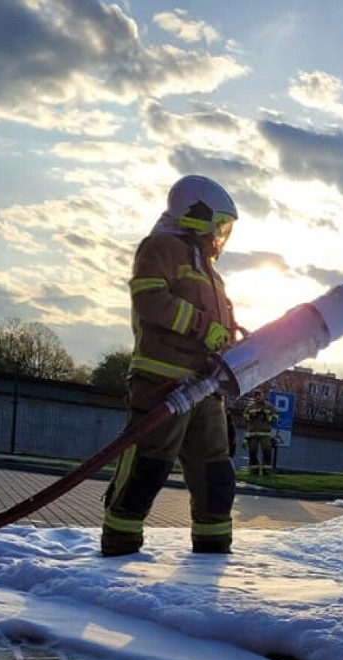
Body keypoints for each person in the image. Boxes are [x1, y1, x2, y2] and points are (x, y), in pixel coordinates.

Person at [101, 175, 240, 556]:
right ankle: (119, 545)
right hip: (163, 381)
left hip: (205, 389)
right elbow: (149, 299)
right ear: (196, 215)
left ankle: (213, 553)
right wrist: (202, 326)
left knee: (216, 474)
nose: (221, 235)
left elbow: (217, 327)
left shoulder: (211, 272)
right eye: (219, 224)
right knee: (148, 466)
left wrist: (229, 337)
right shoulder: (161, 247)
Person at [241, 391, 278, 474]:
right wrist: (252, 416)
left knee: (267, 452)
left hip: (265, 434)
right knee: (252, 452)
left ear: (262, 396)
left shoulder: (269, 406)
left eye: (259, 395)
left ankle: (267, 471)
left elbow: (275, 418)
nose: (257, 397)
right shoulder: (250, 407)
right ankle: (254, 470)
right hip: (253, 433)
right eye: (256, 396)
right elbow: (245, 418)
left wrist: (266, 416)